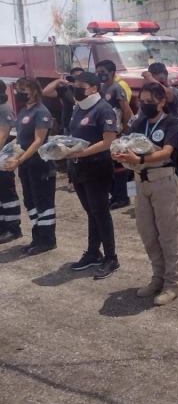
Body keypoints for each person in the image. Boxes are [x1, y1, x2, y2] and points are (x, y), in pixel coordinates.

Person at [112, 83, 178, 305]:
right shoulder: (140, 122)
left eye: (149, 101)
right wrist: (121, 154)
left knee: (167, 235)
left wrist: (140, 160)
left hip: (162, 181)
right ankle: (157, 278)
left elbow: (166, 152)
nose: (144, 105)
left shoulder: (171, 123)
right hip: (140, 183)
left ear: (162, 102)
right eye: (142, 101)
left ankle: (172, 284)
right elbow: (128, 145)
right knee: (148, 234)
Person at [67, 72, 120, 279]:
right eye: (75, 85)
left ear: (94, 88)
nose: (77, 89)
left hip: (97, 167)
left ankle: (111, 257)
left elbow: (108, 142)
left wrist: (80, 153)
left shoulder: (103, 109)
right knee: (91, 212)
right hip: (78, 168)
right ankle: (93, 253)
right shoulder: (77, 108)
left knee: (101, 212)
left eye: (81, 86)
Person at [3, 77, 56, 255]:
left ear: (34, 91)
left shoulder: (41, 112)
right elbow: (21, 137)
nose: (19, 93)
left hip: (40, 164)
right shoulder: (24, 111)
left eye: (23, 90)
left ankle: (47, 240)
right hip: (26, 164)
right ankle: (37, 238)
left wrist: (20, 159)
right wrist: (10, 153)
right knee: (30, 201)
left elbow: (38, 141)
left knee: (43, 202)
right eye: (18, 89)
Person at [96, 59, 133, 210]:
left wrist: (123, 129)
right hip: (106, 132)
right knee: (109, 165)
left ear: (112, 73)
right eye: (98, 72)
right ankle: (114, 195)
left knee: (119, 166)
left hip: (117, 133)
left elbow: (127, 110)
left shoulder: (117, 88)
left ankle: (123, 197)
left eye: (103, 72)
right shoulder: (100, 89)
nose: (100, 75)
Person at [42, 66, 84, 193]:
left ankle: (83, 179)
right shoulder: (65, 89)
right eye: (74, 76)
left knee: (84, 153)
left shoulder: (87, 89)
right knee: (69, 155)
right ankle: (72, 181)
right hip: (68, 125)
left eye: (81, 76)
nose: (77, 79)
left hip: (83, 125)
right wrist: (58, 82)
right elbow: (45, 92)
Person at [0, 80, 22, 244]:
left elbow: (2, 136)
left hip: (4, 158)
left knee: (7, 193)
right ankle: (2, 227)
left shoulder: (4, 108)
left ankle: (14, 228)